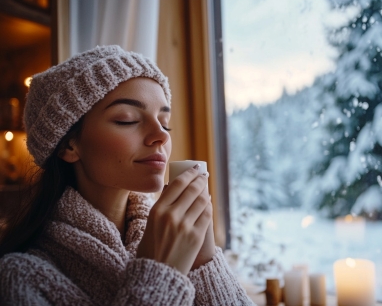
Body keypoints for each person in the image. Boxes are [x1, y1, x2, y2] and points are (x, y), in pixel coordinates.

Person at [0, 45, 254, 305]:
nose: (162, 135)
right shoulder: (19, 278)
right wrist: (160, 275)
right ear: (68, 145)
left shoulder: (174, 240)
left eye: (165, 123)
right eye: (127, 119)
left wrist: (203, 261)